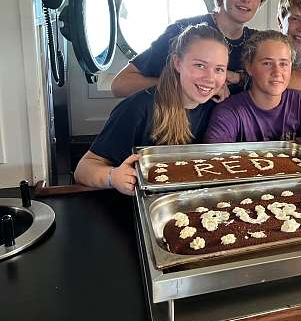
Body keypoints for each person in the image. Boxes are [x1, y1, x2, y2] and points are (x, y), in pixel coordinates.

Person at [75, 24, 229, 195]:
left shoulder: (218, 109)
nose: (210, 78)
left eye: (219, 70)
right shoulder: (139, 108)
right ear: (177, 63)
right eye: (200, 65)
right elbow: (84, 168)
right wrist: (113, 177)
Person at [110, 0, 278, 100]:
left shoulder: (258, 42)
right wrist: (189, 86)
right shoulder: (182, 32)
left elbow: (294, 81)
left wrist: (239, 78)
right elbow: (121, 85)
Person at [203, 30, 301, 143]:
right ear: (249, 67)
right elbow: (214, 162)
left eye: (284, 64)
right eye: (267, 63)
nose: (277, 72)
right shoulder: (228, 112)